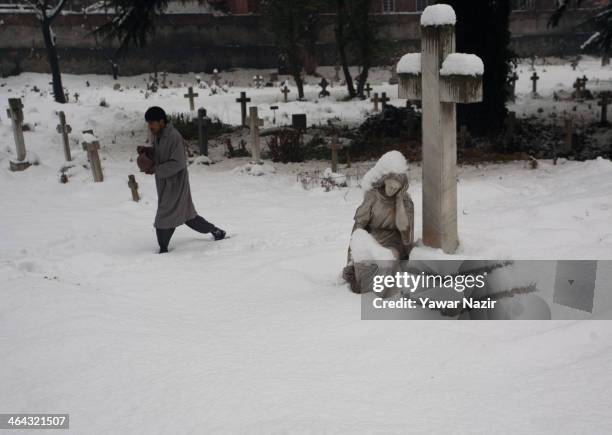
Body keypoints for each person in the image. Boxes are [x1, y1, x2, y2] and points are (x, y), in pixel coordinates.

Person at [137, 106, 226, 253]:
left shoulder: (173, 136)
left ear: (161, 121)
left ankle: (163, 250)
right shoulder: (158, 135)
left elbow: (178, 163)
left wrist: (156, 170)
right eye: (148, 123)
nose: (150, 126)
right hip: (166, 183)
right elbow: (162, 155)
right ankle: (216, 231)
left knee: (163, 218)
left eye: (152, 123)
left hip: (176, 184)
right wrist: (148, 152)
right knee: (188, 216)